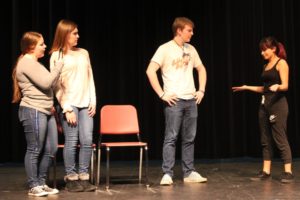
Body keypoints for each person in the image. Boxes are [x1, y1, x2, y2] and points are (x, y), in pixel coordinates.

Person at [146, 17, 207, 185]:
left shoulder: (191, 49)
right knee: (171, 137)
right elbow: (150, 71)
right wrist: (161, 94)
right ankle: (167, 173)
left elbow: (201, 69)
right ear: (179, 30)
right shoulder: (164, 49)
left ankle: (189, 173)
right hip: (174, 101)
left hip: (190, 100)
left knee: (189, 138)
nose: (192, 33)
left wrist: (201, 90)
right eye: (189, 30)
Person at [232, 36, 294, 183]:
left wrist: (278, 86)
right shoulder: (265, 66)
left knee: (280, 137)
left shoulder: (281, 63)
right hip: (264, 105)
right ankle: (266, 171)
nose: (262, 53)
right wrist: (247, 87)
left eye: (264, 50)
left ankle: (288, 171)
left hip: (278, 105)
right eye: (261, 50)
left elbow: (285, 85)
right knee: (265, 138)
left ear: (273, 49)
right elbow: (264, 89)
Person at [12, 31, 64, 196]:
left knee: (51, 148)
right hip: (33, 110)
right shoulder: (26, 63)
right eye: (41, 44)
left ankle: (41, 182)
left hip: (46, 110)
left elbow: (46, 86)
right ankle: (33, 185)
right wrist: (59, 66)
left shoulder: (36, 63)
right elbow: (46, 82)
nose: (45, 46)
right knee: (35, 148)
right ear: (31, 47)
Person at [49, 19, 97, 192]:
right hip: (69, 103)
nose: (78, 36)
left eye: (77, 33)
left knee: (87, 140)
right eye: (74, 33)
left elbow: (90, 77)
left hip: (85, 102)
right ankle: (71, 178)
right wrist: (66, 108)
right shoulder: (57, 55)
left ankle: (84, 177)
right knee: (72, 140)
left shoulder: (84, 52)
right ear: (65, 34)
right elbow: (56, 85)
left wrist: (93, 100)